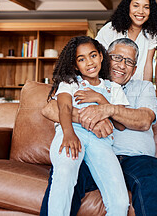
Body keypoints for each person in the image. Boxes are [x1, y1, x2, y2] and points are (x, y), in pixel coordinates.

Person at [40, 38, 157, 216]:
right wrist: (90, 119)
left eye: (129, 61)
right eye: (117, 57)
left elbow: (144, 120)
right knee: (66, 173)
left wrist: (106, 109)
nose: (121, 65)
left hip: (135, 159)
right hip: (90, 155)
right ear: (106, 58)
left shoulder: (144, 87)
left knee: (153, 175)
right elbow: (50, 108)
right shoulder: (78, 82)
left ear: (134, 70)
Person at [46, 36, 129, 216]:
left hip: (101, 142)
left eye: (93, 56)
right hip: (73, 133)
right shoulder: (70, 83)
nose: (89, 62)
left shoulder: (113, 88)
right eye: (81, 59)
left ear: (101, 56)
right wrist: (68, 134)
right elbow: (65, 107)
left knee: (120, 202)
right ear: (75, 65)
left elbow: (121, 124)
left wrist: (99, 99)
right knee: (65, 173)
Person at [96, 0, 157, 81]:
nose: (141, 11)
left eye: (146, 7)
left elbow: (148, 65)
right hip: (110, 85)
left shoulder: (151, 34)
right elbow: (97, 58)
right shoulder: (110, 29)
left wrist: (147, 89)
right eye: (136, 6)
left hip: (136, 88)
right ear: (127, 7)